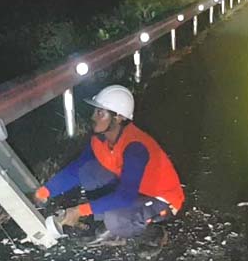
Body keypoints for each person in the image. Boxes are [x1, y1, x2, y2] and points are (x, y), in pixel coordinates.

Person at [34, 84, 184, 252]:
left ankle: (152, 230)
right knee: (88, 170)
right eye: (95, 111)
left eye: (100, 113)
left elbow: (126, 196)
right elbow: (77, 169)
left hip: (160, 200)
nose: (93, 117)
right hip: (134, 190)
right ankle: (108, 226)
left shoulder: (135, 147)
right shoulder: (100, 140)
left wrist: (80, 210)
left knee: (116, 218)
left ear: (118, 117)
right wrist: (45, 192)